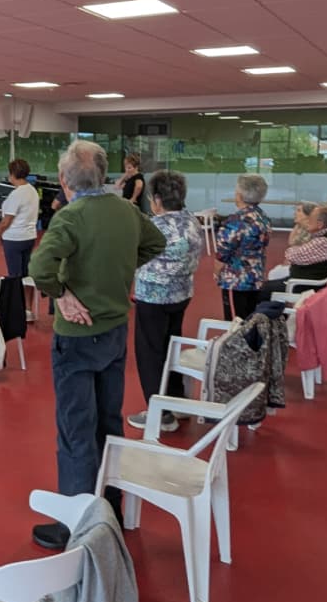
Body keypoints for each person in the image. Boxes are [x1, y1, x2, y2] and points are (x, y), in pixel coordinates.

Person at [28, 140, 165, 550]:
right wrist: (119, 269)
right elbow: (155, 243)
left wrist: (62, 293)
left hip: (76, 337)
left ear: (64, 180)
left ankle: (77, 523)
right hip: (115, 331)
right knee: (108, 421)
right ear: (105, 175)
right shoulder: (126, 211)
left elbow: (40, 266)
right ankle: (109, 509)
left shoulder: (70, 217)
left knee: (75, 429)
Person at [129, 170, 202, 434]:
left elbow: (133, 255)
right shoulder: (191, 220)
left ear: (157, 199)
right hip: (181, 294)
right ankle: (176, 400)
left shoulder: (154, 226)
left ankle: (160, 414)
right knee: (171, 346)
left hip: (154, 296)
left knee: (150, 354)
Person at [217, 173, 272, 320]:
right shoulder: (263, 217)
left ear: (240, 195)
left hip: (236, 280)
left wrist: (217, 272)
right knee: (249, 318)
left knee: (235, 322)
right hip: (256, 276)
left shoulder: (236, 220)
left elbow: (222, 253)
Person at [274, 203, 327, 288]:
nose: (308, 220)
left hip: (304, 284)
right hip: (307, 278)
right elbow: (292, 245)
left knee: (269, 282)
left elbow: (291, 255)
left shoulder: (323, 242)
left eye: (311, 218)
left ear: (320, 224)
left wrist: (293, 250)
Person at [0, 158, 39, 278]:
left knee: (14, 275)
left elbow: (6, 221)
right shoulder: (32, 191)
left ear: (13, 174)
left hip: (14, 239)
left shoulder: (16, 194)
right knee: (25, 274)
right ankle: (25, 290)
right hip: (29, 237)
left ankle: (16, 290)